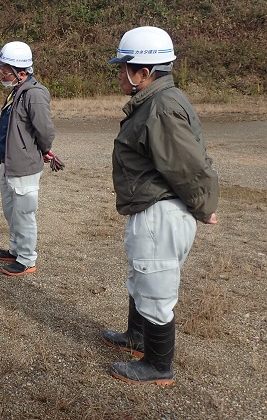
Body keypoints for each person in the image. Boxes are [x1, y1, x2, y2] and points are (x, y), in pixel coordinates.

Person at [102, 26, 219, 385]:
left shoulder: (161, 108)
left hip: (161, 212)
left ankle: (157, 366)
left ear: (144, 72)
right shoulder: (157, 101)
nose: (119, 73)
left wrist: (204, 206)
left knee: (155, 288)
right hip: (153, 208)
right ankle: (136, 338)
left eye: (124, 66)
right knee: (142, 278)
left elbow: (187, 165)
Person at [0, 41, 56, 276]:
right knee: (11, 210)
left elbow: (45, 130)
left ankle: (27, 259)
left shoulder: (34, 94)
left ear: (21, 73)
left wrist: (44, 149)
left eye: (5, 70)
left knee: (24, 213)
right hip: (10, 164)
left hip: (24, 166)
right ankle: (16, 249)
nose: (1, 74)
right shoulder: (16, 92)